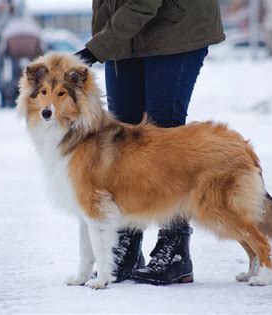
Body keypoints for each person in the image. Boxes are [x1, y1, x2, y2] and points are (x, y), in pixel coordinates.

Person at [76, 0, 225, 285]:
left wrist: (97, 47)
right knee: (122, 142)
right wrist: (108, 40)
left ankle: (175, 248)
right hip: (127, 38)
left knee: (164, 142)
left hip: (176, 27)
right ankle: (126, 246)